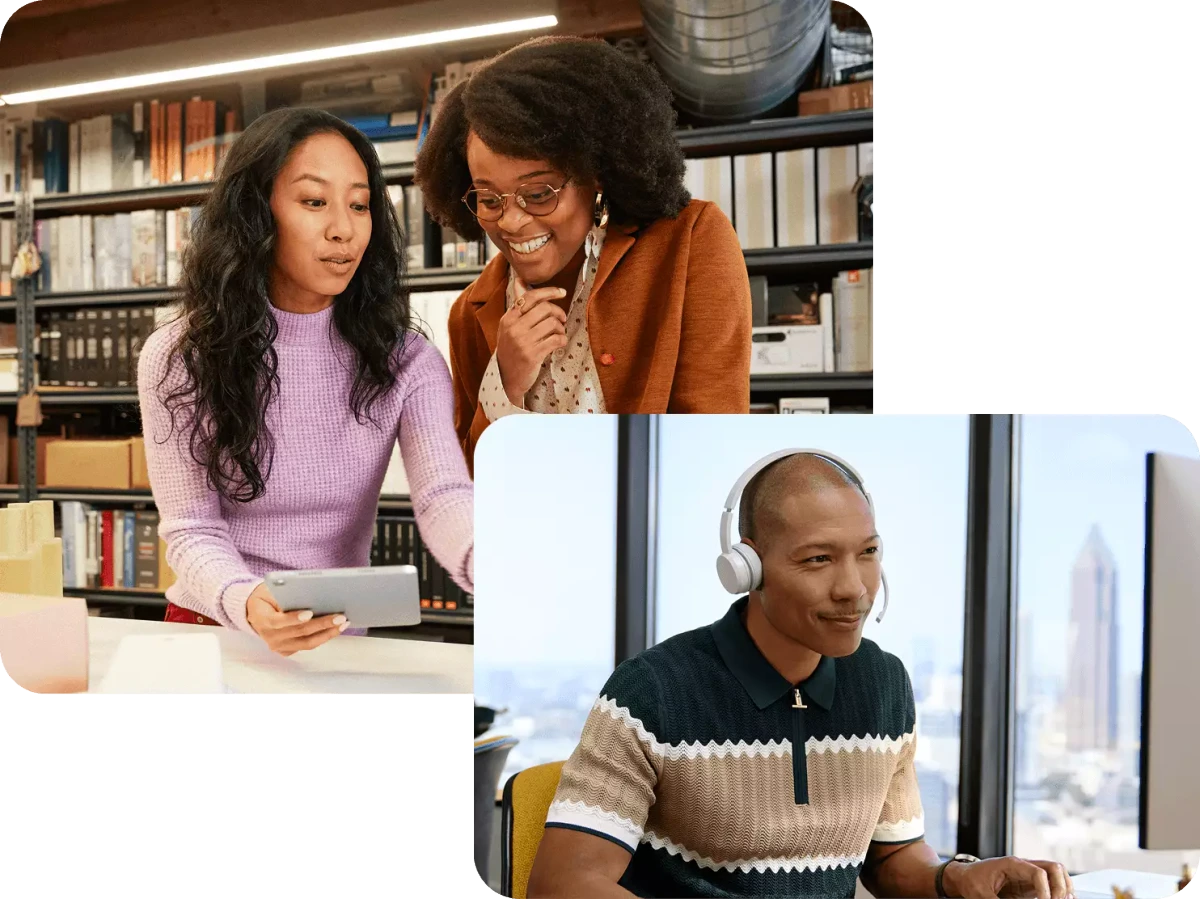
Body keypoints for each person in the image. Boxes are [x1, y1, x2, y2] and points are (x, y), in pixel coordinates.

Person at [527, 453, 1073, 899]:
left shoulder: (884, 684)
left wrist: (956, 878)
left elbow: (894, 860)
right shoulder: (652, 691)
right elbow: (564, 883)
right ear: (747, 569)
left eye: (868, 553)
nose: (855, 589)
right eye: (818, 560)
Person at [138, 106, 473, 656]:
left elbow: (443, 496)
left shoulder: (407, 359)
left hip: (339, 638)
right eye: (314, 202)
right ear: (257, 214)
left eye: (360, 205)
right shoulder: (180, 356)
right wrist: (246, 600)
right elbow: (191, 527)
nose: (343, 228)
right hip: (216, 629)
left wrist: (490, 562)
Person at [414, 35, 752, 472]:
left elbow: (715, 443)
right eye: (488, 198)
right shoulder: (470, 312)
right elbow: (470, 488)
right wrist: (505, 383)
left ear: (596, 174)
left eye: (538, 193)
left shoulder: (689, 244)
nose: (511, 221)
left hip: (650, 536)